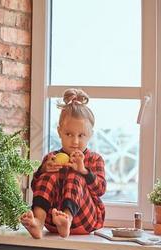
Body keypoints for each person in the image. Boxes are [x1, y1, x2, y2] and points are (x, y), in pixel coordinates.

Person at [20, 88, 106, 239]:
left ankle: (67, 219)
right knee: (48, 174)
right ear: (59, 132)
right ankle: (38, 223)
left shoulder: (94, 159)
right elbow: (35, 187)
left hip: (85, 220)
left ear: (90, 134)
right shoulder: (52, 157)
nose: (75, 141)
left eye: (81, 135)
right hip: (52, 221)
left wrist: (84, 171)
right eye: (69, 134)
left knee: (75, 175)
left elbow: (100, 190)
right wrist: (43, 170)